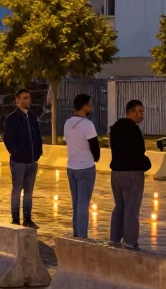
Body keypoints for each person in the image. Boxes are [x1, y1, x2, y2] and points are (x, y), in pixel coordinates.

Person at [109, 99, 150, 248]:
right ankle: (130, 242)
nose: (142, 114)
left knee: (119, 206)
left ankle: (114, 239)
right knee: (131, 209)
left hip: (116, 173)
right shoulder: (134, 130)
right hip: (133, 173)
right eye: (139, 111)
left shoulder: (115, 128)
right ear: (130, 112)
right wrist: (146, 164)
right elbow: (138, 153)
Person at [2, 87, 43, 227]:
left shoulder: (32, 118)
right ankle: (15, 218)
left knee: (29, 192)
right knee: (17, 190)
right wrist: (17, 153)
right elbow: (8, 139)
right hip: (18, 161)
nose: (28, 100)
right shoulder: (12, 119)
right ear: (17, 100)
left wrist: (38, 153)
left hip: (32, 161)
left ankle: (27, 218)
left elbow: (37, 136)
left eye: (28, 97)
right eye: (24, 98)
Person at [64, 93, 101, 238]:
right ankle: (82, 237)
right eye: (89, 104)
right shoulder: (88, 125)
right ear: (84, 106)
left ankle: (76, 234)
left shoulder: (68, 123)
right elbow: (95, 147)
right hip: (85, 167)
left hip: (71, 167)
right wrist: (95, 158)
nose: (90, 106)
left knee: (76, 203)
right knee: (83, 204)